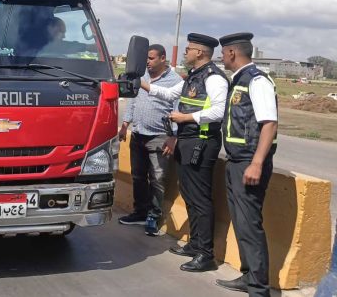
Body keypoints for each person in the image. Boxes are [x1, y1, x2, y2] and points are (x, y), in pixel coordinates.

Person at [141, 33, 228, 272]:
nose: (185, 52)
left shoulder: (214, 78)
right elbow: (170, 94)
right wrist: (141, 84)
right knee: (190, 195)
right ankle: (195, 244)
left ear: (199, 52)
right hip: (187, 141)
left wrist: (185, 117)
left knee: (200, 199)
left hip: (202, 142)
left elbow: (219, 111)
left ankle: (205, 254)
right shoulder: (193, 76)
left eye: (188, 49)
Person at [215, 33, 278, 296]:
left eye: (223, 52)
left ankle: (259, 288)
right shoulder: (239, 80)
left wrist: (257, 163)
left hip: (248, 163)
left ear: (232, 52)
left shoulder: (257, 81)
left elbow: (269, 124)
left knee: (250, 225)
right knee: (241, 223)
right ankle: (248, 275)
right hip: (236, 161)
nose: (221, 57)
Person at [118, 44, 182, 236]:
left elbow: (178, 110)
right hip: (138, 134)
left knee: (157, 179)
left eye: (151, 58)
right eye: (146, 58)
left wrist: (173, 137)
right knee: (138, 176)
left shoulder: (175, 81)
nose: (147, 62)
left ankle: (153, 216)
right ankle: (140, 212)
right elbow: (133, 101)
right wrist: (125, 124)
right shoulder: (142, 77)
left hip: (159, 137)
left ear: (163, 58)